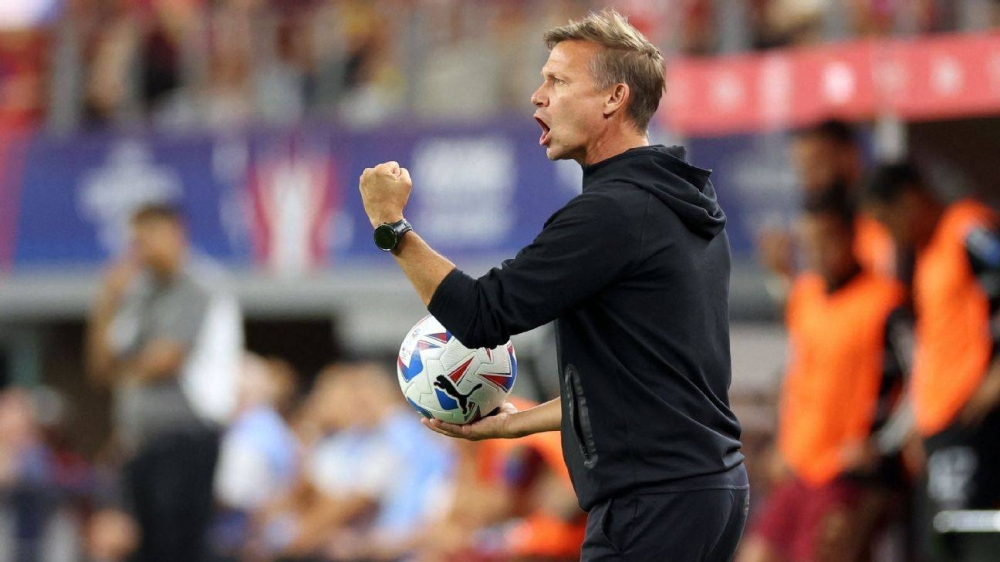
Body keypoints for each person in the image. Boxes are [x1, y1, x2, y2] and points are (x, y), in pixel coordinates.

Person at [359, 9, 747, 561]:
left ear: (613, 98)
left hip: (653, 501)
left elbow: (480, 316)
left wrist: (391, 227)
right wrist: (518, 424)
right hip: (705, 490)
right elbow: (647, 388)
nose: (537, 96)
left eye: (558, 81)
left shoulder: (614, 213)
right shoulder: (677, 202)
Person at [738, 186, 910, 562]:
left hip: (848, 472)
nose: (816, 251)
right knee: (755, 553)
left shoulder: (885, 302)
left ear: (849, 237)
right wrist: (784, 442)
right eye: (809, 241)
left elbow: (920, 380)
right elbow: (800, 375)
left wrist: (882, 443)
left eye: (825, 239)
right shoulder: (806, 295)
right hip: (800, 465)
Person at [85, 203, 244, 562]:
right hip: (140, 440)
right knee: (147, 546)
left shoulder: (199, 284)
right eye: (137, 240)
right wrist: (107, 299)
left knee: (182, 545)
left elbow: (165, 360)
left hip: (187, 436)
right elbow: (100, 366)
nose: (142, 248)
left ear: (176, 233)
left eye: (150, 237)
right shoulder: (138, 291)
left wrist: (123, 373)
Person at [865, 163, 1000, 562]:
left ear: (909, 201)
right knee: (942, 542)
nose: (890, 235)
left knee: (975, 539)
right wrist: (918, 421)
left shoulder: (966, 228)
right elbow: (936, 345)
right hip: (942, 425)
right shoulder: (926, 255)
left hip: (974, 417)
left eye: (887, 221)